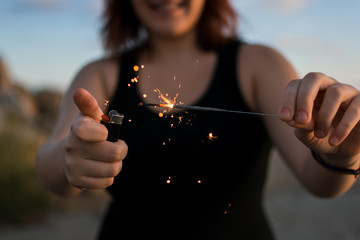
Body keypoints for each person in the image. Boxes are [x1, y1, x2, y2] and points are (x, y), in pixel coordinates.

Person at [36, 0, 360, 239]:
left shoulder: (258, 64)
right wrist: (69, 159)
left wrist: (342, 150)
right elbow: (50, 163)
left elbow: (319, 182)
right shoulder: (101, 74)